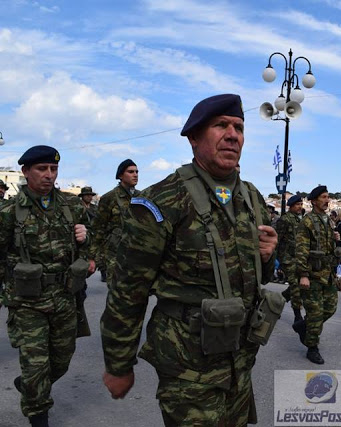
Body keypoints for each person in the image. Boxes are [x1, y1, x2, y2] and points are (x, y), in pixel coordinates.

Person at [100, 94, 279, 426]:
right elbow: (128, 291)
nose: (232, 134)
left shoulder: (252, 197)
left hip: (240, 361)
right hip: (187, 368)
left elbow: (252, 275)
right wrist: (118, 364)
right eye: (220, 125)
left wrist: (267, 257)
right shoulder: (160, 201)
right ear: (194, 137)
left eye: (239, 127)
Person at [0, 145, 92, 427]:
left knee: (61, 361)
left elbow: (92, 247)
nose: (49, 175)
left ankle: (28, 384)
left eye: (53, 169)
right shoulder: (8, 212)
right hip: (27, 302)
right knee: (36, 367)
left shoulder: (72, 206)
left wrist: (86, 240)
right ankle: (38, 415)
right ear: (26, 172)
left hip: (64, 298)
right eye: (42, 169)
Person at [293, 185, 340, 365]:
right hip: (312, 274)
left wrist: (334, 239)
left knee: (330, 308)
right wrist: (303, 274)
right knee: (315, 312)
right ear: (314, 201)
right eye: (323, 197)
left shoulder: (327, 220)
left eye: (328, 197)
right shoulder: (308, 221)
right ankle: (312, 347)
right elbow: (301, 249)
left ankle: (303, 326)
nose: (327, 200)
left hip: (327, 274)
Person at [88, 159, 140, 285]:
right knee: (116, 293)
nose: (135, 174)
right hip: (115, 254)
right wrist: (91, 257)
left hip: (137, 253)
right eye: (131, 172)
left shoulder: (142, 196)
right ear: (121, 176)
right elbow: (98, 228)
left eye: (137, 172)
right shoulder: (109, 198)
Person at [275, 194, 304, 323]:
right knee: (296, 286)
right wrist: (278, 262)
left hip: (296, 257)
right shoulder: (284, 220)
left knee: (297, 285)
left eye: (301, 204)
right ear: (291, 206)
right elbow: (277, 239)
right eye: (298, 204)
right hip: (286, 258)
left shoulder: (299, 220)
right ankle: (297, 316)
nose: (300, 207)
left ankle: (276, 303)